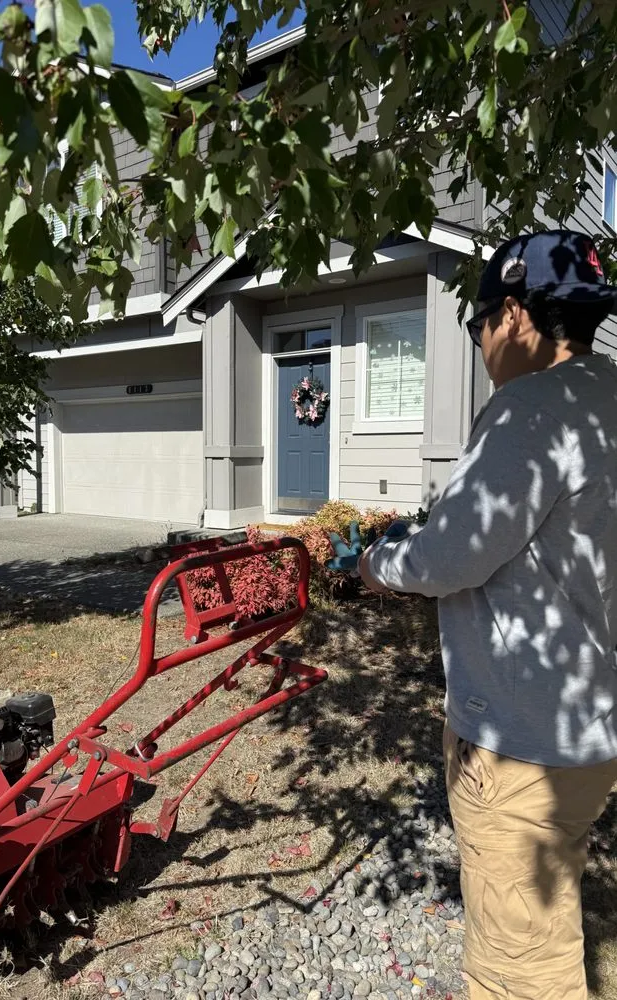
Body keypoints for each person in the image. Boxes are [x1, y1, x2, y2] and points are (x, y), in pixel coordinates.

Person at [328, 230, 617, 1000]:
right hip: (591, 729)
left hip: (522, 739)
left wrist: (374, 564)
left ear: (514, 314)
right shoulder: (607, 398)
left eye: (477, 324)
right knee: (554, 906)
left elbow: (450, 559)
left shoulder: (530, 408)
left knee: (521, 969)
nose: (482, 343)